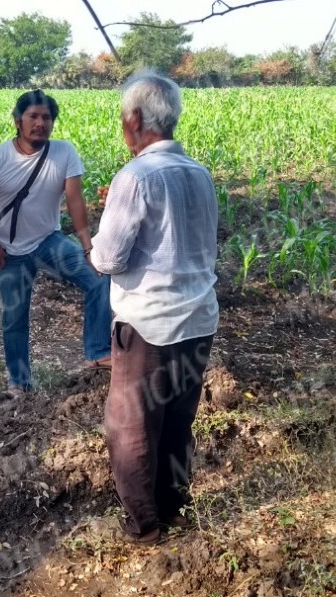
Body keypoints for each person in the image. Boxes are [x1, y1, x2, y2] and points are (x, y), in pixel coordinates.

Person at [90, 72, 219, 544]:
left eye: (125, 119)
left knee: (132, 429)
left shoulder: (136, 175)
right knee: (177, 421)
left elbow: (108, 258)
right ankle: (174, 507)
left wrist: (94, 236)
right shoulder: (198, 172)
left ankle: (145, 528)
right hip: (199, 318)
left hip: (149, 326)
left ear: (136, 119)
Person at [0, 89, 111, 397]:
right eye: (33, 117)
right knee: (15, 318)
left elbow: (74, 198)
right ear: (18, 121)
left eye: (47, 118)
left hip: (48, 240)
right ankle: (20, 383)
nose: (40, 123)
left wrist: (87, 245)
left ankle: (97, 352)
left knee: (97, 279)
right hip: (7, 250)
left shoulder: (64, 152)